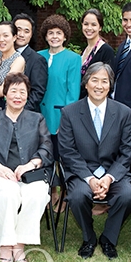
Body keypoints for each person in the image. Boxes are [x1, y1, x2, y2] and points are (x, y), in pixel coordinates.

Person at [58, 63, 131, 260]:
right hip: (82, 171)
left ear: (110, 86)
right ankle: (89, 238)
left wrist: (109, 178)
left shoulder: (123, 112)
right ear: (86, 83)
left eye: (104, 81)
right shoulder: (69, 112)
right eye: (94, 80)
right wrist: (89, 178)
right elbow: (67, 151)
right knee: (77, 196)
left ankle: (108, 238)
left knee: (127, 195)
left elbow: (127, 151)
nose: (99, 86)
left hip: (113, 171)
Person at [0, 73, 53, 262]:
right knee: (8, 194)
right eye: (13, 91)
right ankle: (5, 244)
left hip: (31, 173)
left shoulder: (37, 119)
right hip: (0, 174)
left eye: (22, 92)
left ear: (27, 95)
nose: (18, 96)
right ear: (5, 94)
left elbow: (46, 146)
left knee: (37, 194)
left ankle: (19, 244)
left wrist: (31, 164)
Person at [38, 14, 81, 158]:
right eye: (50, 33)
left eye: (58, 33)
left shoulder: (73, 58)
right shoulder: (38, 56)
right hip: (38, 114)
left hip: (58, 116)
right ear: (46, 36)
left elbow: (73, 93)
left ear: (64, 36)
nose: (54, 36)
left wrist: (65, 120)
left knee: (58, 157)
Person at [13, 13, 48, 113]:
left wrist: (19, 112)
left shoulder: (37, 60)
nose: (21, 34)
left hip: (24, 114)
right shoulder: (1, 55)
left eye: (26, 31)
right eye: (18, 29)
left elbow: (37, 92)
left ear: (31, 35)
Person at [79, 9, 115, 98]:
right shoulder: (85, 51)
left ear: (100, 27)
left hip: (97, 100)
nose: (89, 28)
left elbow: (109, 83)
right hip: (83, 100)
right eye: (86, 24)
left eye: (93, 24)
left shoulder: (106, 51)